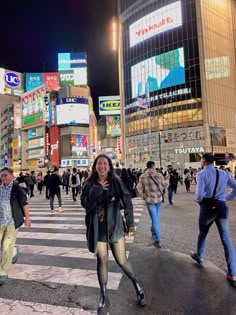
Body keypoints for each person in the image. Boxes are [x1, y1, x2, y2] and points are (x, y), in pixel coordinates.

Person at [81, 154, 146, 314]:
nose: (102, 166)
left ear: (109, 166)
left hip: (115, 225)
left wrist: (130, 223)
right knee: (101, 259)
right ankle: (103, 296)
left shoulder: (116, 182)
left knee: (122, 261)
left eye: (105, 164)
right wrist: (96, 190)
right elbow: (85, 204)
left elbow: (127, 202)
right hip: (98, 228)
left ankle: (137, 284)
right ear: (95, 167)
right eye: (99, 164)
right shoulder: (89, 183)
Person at [191, 153, 236, 288]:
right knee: (226, 238)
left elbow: (199, 195)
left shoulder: (201, 175)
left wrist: (199, 201)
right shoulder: (223, 173)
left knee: (203, 232)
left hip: (207, 207)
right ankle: (232, 273)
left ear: (204, 162)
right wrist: (226, 198)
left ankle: (200, 256)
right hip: (221, 206)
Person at [0, 167, 31, 285]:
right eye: (2, 176)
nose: (3, 178)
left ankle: (3, 271)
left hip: (12, 222)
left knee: (6, 247)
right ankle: (14, 249)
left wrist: (27, 218)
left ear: (12, 176)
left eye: (5, 175)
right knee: (3, 246)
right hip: (0, 222)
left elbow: (24, 204)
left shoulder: (18, 189)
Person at [137, 161, 169, 248]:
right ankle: (155, 233)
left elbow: (139, 188)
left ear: (147, 167)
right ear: (153, 166)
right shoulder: (159, 175)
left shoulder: (143, 176)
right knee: (156, 218)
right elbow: (165, 185)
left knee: (154, 219)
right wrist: (167, 179)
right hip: (158, 199)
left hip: (149, 200)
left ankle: (158, 239)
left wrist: (143, 196)